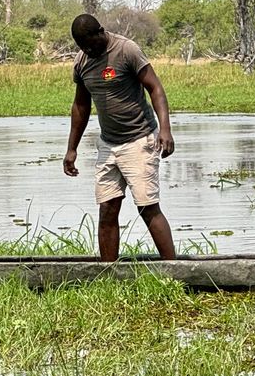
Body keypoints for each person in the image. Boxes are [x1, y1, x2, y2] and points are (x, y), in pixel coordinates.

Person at [63, 13, 176, 261]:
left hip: (139, 139)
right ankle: (108, 273)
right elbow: (80, 106)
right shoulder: (82, 62)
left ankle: (173, 271)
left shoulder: (127, 50)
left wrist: (165, 129)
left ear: (100, 32)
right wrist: (72, 149)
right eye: (82, 46)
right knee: (107, 208)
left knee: (147, 207)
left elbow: (155, 88)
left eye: (90, 44)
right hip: (108, 143)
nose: (87, 50)